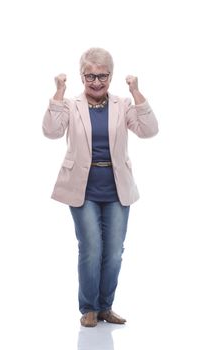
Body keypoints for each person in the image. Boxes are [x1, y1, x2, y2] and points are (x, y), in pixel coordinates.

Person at [42, 47, 158, 327]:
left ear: (111, 76)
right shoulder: (71, 104)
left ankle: (106, 306)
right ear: (82, 76)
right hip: (82, 189)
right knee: (92, 247)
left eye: (102, 76)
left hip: (117, 188)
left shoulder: (121, 105)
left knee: (115, 250)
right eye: (89, 76)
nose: (96, 82)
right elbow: (51, 131)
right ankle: (89, 308)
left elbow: (149, 130)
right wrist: (58, 93)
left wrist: (136, 93)